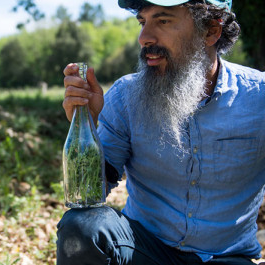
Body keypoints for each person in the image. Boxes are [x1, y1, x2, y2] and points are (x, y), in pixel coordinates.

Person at [58, 0, 265, 264]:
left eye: (163, 21)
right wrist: (86, 124)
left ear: (211, 31)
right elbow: (87, 195)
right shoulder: (125, 96)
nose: (144, 38)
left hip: (226, 256)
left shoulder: (259, 98)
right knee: (81, 225)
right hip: (145, 251)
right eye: (142, 22)